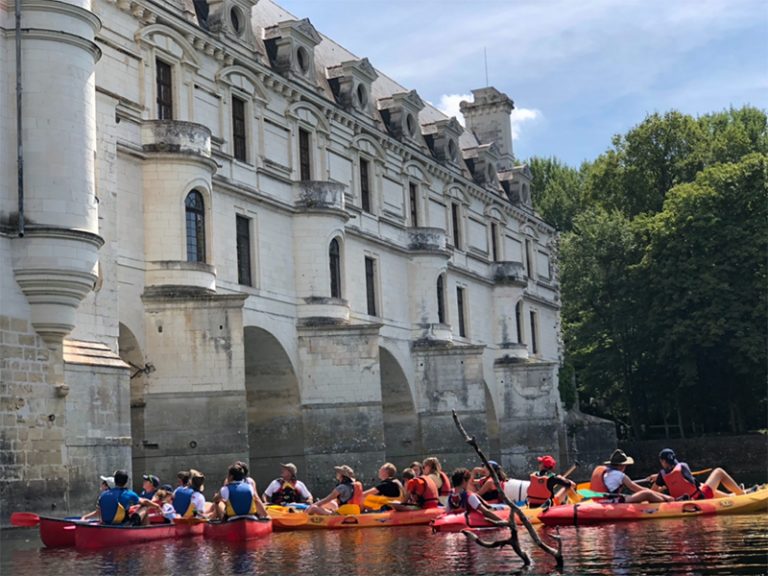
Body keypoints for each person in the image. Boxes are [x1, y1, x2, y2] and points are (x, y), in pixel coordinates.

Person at [651, 448, 745, 500]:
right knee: (719, 471)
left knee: (703, 485)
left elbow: (653, 492)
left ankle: (729, 497)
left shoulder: (661, 475)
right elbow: (694, 484)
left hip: (682, 501)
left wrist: (664, 485)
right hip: (700, 498)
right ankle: (741, 494)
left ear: (662, 461)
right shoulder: (683, 466)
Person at [590, 449, 672, 504]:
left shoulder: (607, 473)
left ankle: (665, 500)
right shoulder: (620, 475)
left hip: (603, 500)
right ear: (622, 466)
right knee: (647, 494)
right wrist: (665, 496)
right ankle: (668, 502)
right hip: (612, 501)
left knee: (632, 495)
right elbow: (637, 488)